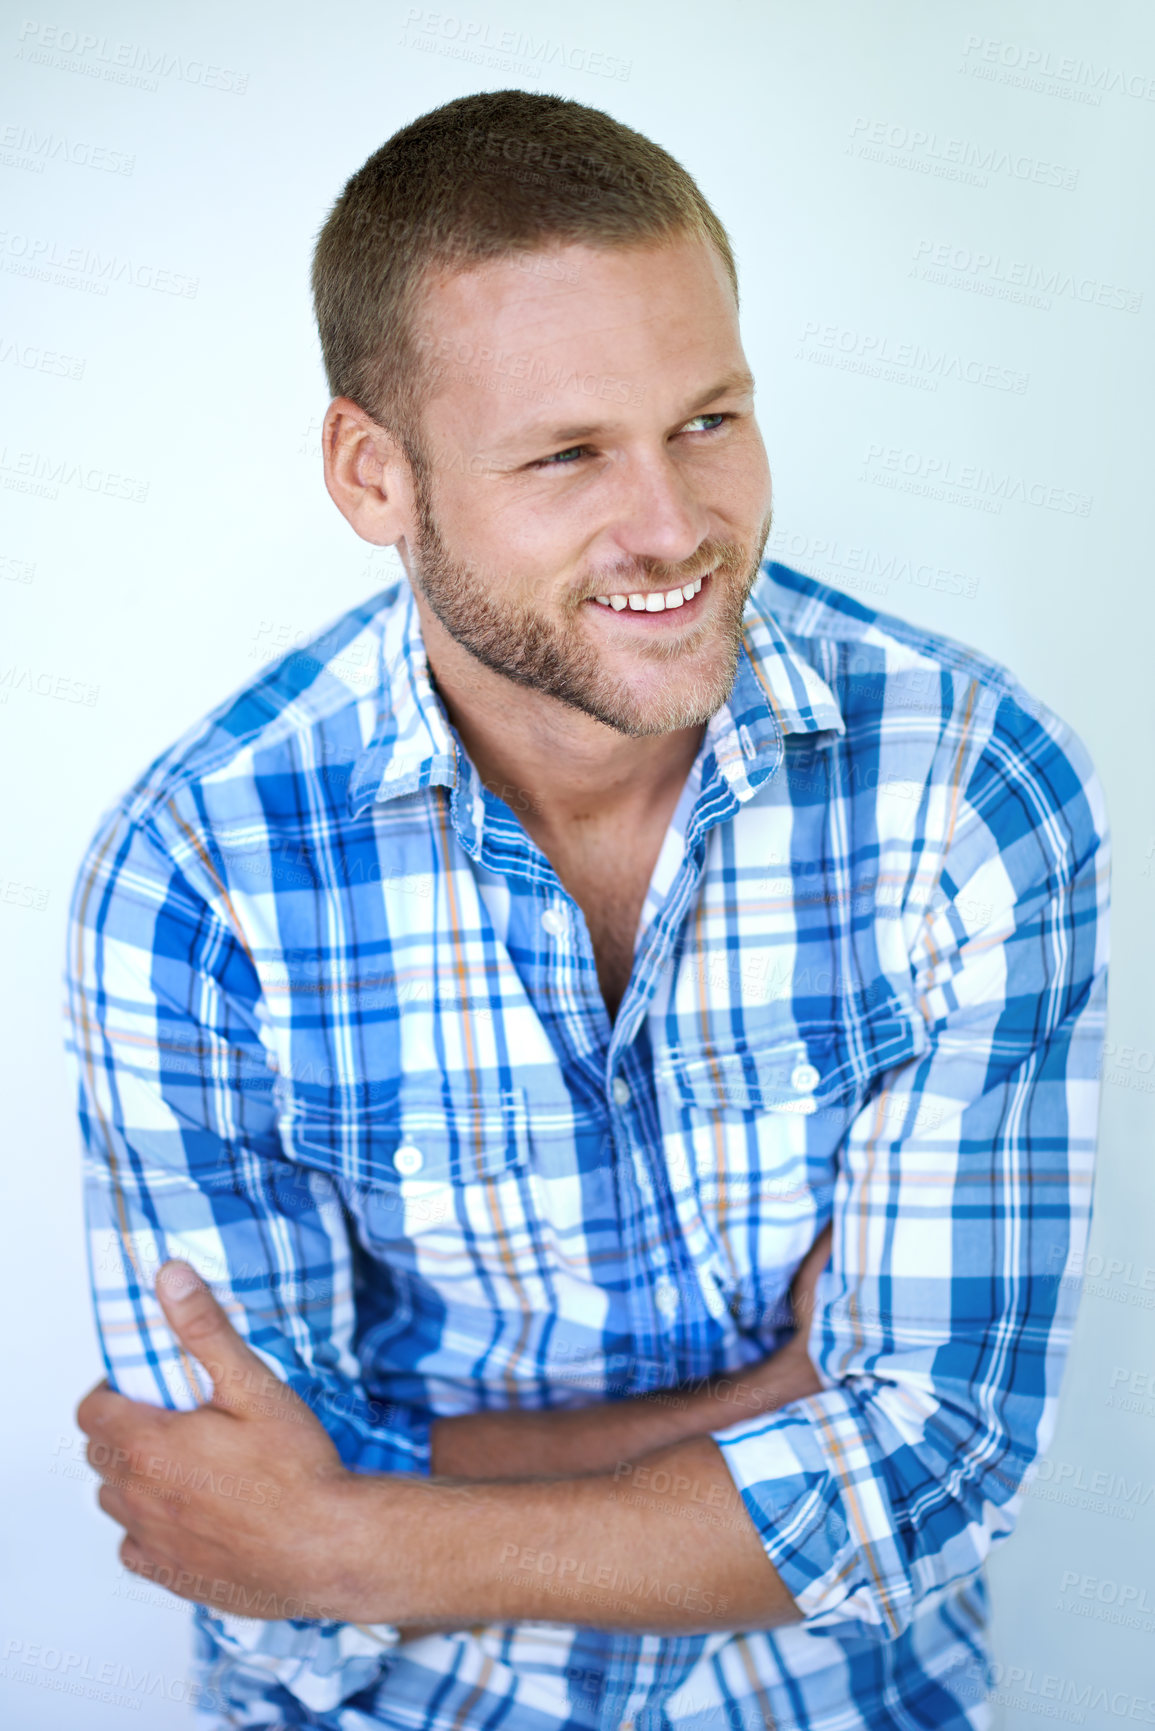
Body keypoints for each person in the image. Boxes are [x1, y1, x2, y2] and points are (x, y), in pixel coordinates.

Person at [66, 89, 1109, 1731]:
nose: (674, 527)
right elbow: (228, 1530)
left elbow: (942, 1465)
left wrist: (350, 1526)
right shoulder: (196, 876)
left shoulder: (967, 785)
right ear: (373, 475)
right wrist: (780, 1401)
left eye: (708, 419)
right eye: (566, 454)